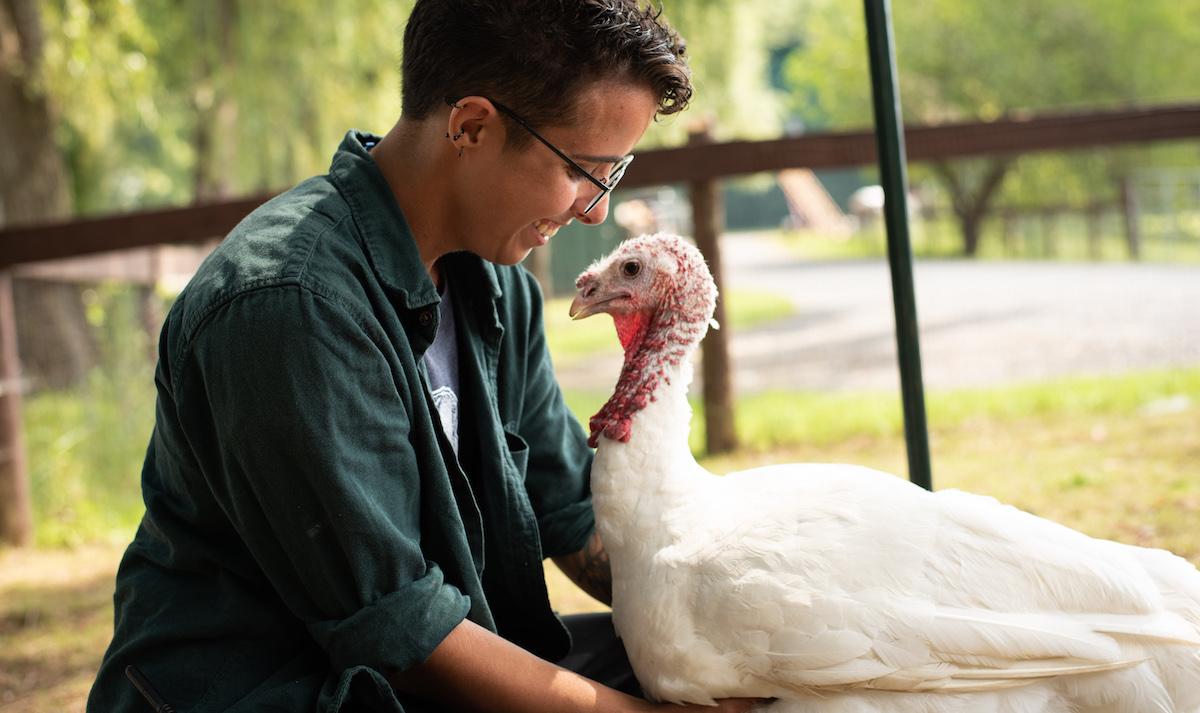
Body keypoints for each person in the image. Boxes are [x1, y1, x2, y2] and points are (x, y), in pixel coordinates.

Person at [88, 1, 759, 711]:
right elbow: (400, 631)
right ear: (470, 126)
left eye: (612, 174)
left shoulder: (499, 286)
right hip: (276, 690)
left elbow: (574, 515)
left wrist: (762, 639)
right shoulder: (289, 303)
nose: (595, 210)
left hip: (431, 664)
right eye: (583, 170)